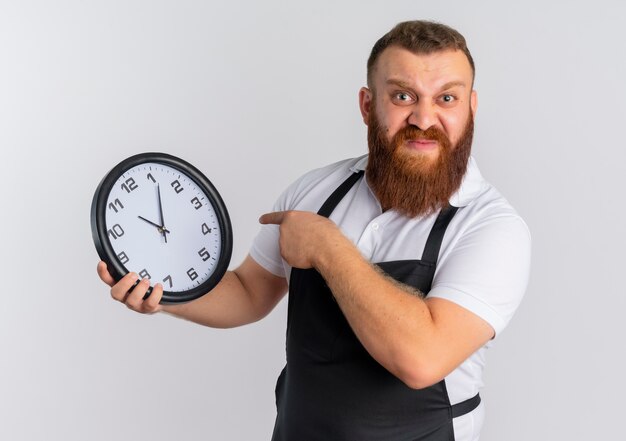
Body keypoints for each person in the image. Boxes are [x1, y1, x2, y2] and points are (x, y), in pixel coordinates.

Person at [98, 20, 531, 441]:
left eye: (447, 99)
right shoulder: (315, 191)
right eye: (403, 95)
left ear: (471, 108)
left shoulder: (492, 227)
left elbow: (421, 358)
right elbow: (249, 293)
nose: (424, 117)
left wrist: (327, 247)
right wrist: (165, 292)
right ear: (367, 105)